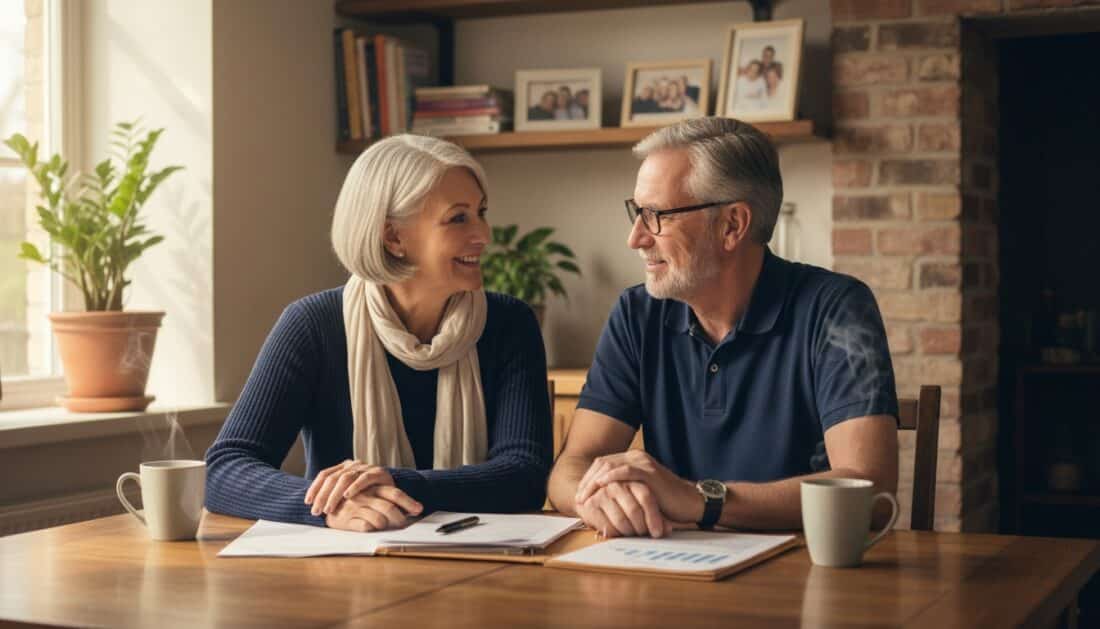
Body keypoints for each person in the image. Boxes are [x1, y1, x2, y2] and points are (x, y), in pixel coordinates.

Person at [546, 117, 898, 537]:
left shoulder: (837, 308)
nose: (636, 237)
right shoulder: (636, 314)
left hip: (806, 575)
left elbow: (867, 491)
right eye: (637, 212)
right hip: (666, 567)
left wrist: (698, 499)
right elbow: (569, 468)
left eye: (656, 215)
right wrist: (598, 495)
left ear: (732, 225)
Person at [205, 135, 552, 532]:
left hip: (481, 570)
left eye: (481, 212)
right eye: (459, 218)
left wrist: (396, 483)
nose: (484, 234)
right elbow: (225, 468)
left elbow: (524, 475)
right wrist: (328, 506)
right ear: (393, 237)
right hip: (342, 569)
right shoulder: (313, 324)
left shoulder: (510, 324)